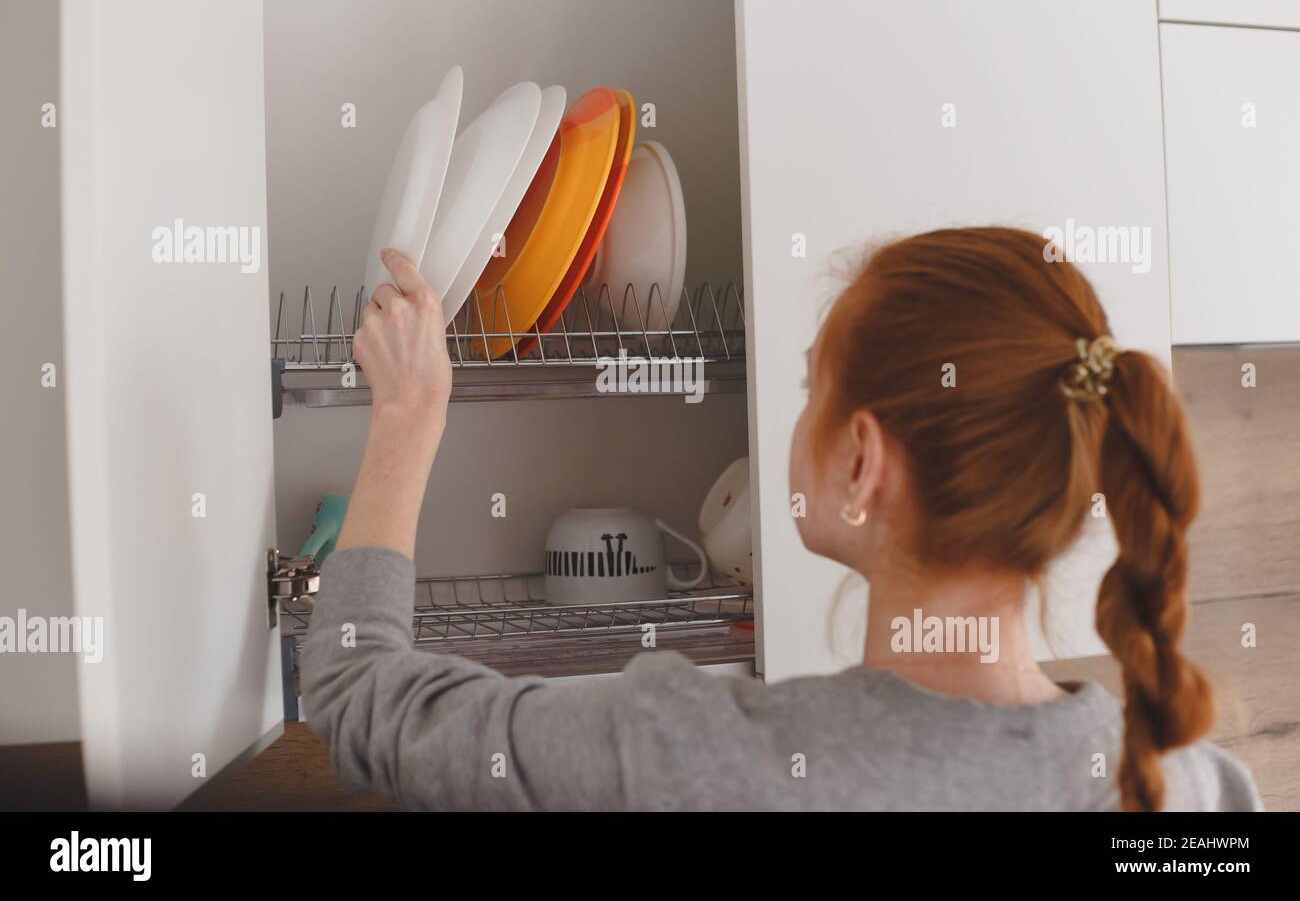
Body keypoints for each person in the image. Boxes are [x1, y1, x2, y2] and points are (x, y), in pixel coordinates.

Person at [301, 230, 1261, 811]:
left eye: (810, 389)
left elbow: (357, 697)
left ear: (860, 460)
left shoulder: (701, 758)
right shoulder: (1197, 795)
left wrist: (410, 411)